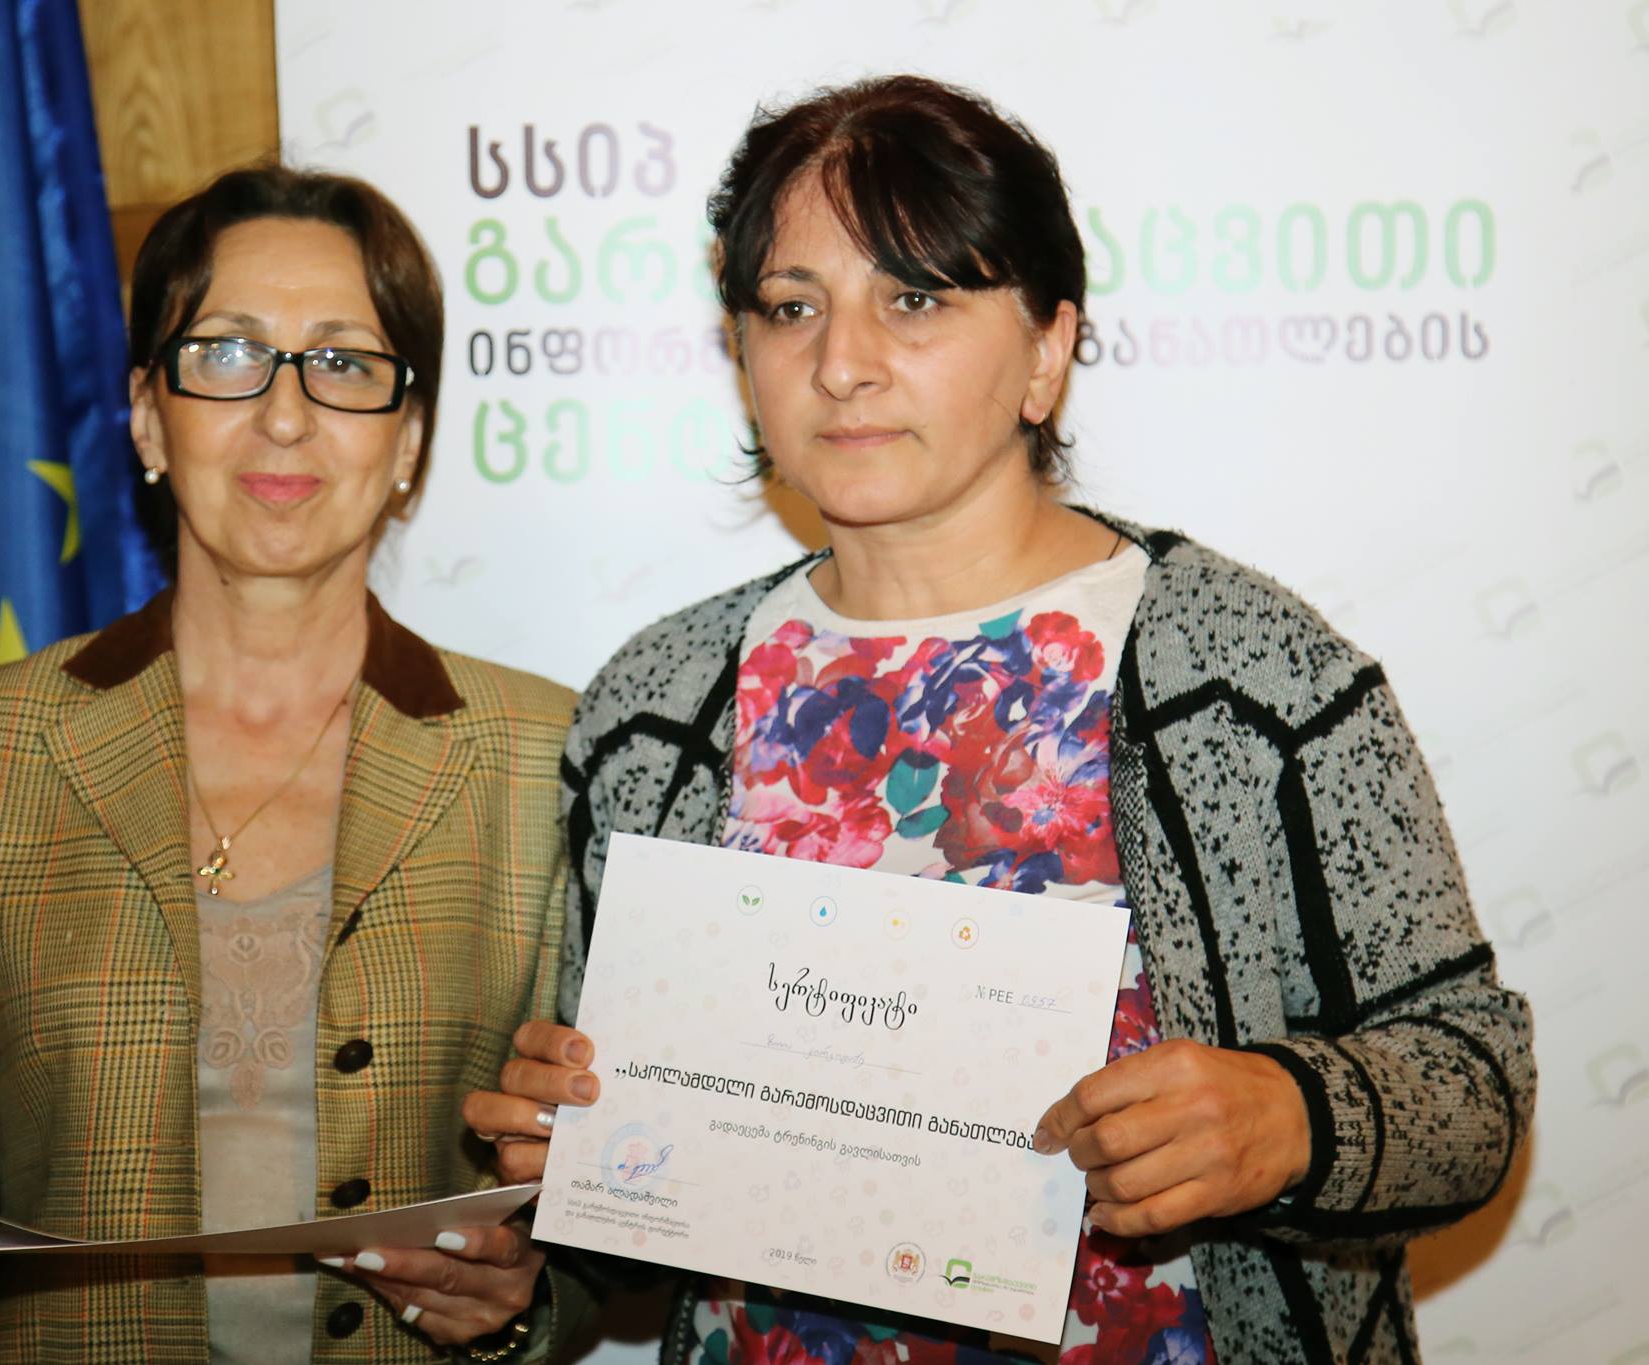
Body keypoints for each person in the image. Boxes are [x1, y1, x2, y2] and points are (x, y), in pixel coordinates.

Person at [464, 76, 1534, 1365]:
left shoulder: (1245, 673)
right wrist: (573, 1168)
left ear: (1045, 349)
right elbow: (639, 1229)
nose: (840, 363)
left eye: (913, 299)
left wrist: (1291, 1117)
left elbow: (1474, 1084)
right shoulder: (657, 707)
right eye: (790, 307)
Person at [0, 164, 587, 1364]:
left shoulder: (546, 758)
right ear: (144, 414)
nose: (284, 415)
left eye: (343, 363)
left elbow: (594, 1221)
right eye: (226, 353)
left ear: (409, 438)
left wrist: (523, 1301)